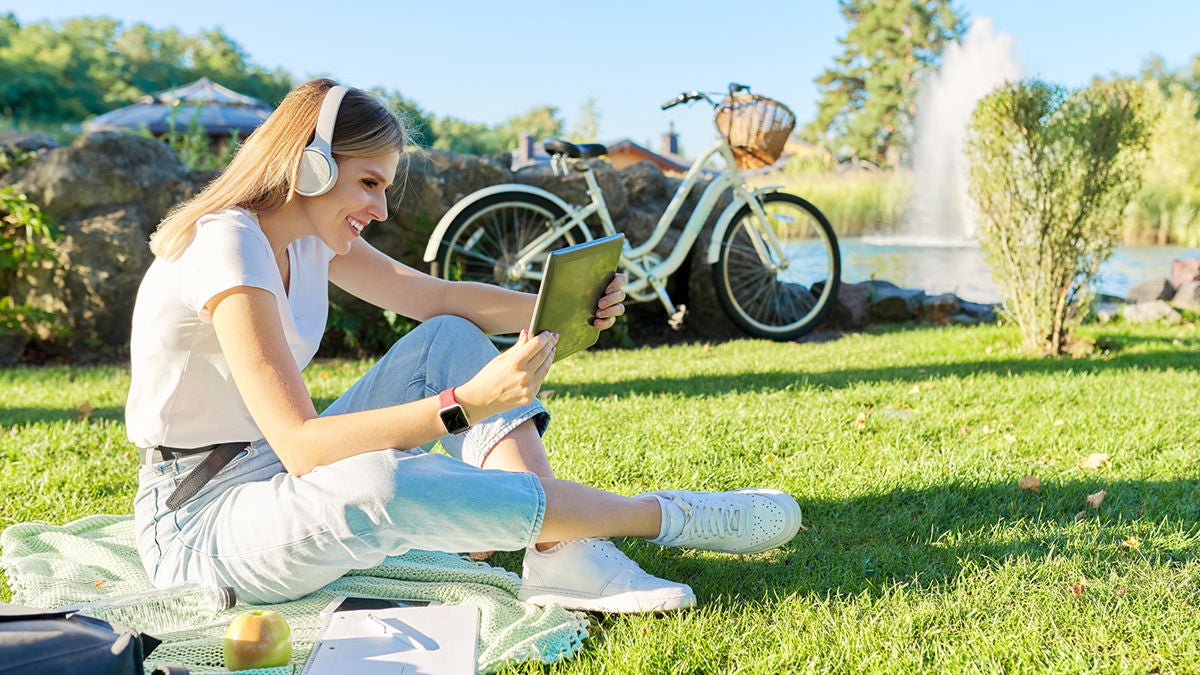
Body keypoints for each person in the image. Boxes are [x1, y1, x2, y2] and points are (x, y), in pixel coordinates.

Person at [125, 78, 802, 614]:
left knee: (444, 339)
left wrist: (559, 312)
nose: (382, 210)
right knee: (382, 482)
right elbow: (303, 443)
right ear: (307, 166)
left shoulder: (304, 238)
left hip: (270, 473)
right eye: (369, 183)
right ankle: (664, 514)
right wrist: (465, 405)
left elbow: (434, 300)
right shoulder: (229, 241)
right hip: (200, 522)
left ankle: (559, 549)